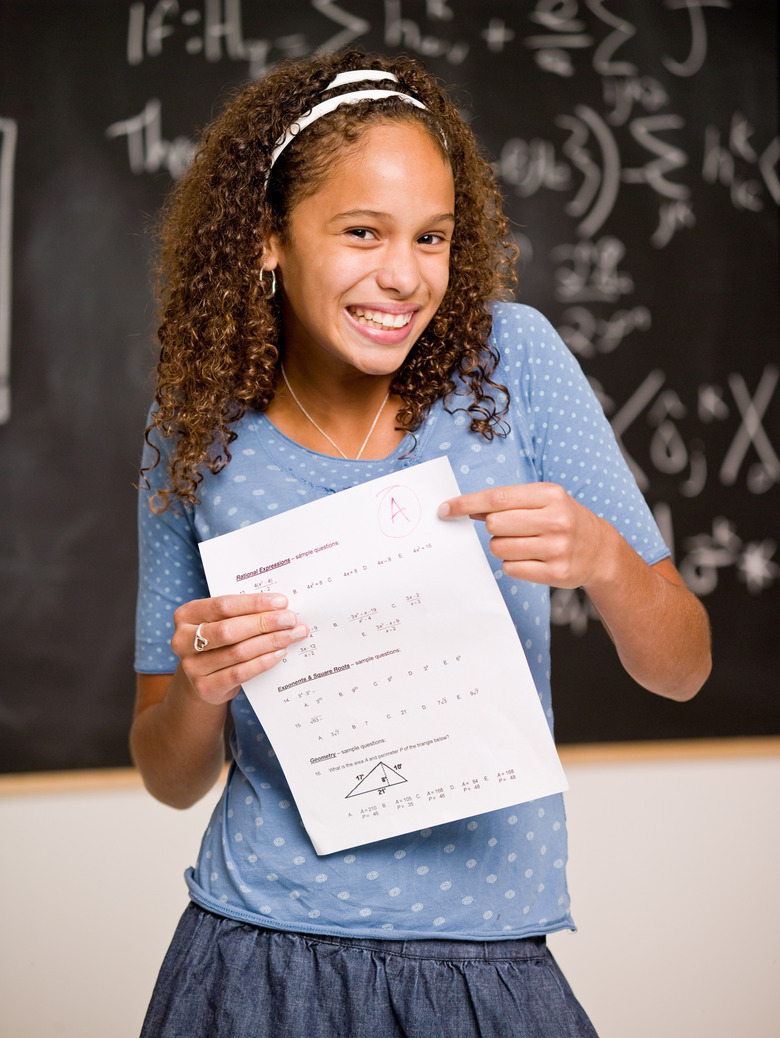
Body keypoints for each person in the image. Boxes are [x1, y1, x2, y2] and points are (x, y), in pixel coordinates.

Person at [132, 49, 711, 1038]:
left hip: (486, 956)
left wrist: (606, 564)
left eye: (433, 238)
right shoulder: (194, 434)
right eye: (362, 232)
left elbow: (684, 669)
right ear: (268, 238)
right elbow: (168, 775)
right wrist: (201, 682)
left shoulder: (514, 361)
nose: (403, 276)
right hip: (254, 952)